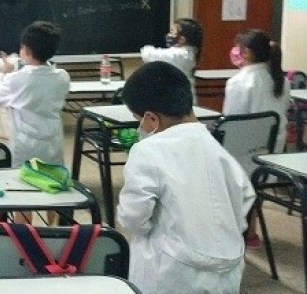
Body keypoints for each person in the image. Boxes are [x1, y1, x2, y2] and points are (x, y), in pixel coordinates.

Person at [117, 61, 255, 294]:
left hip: (171, 273)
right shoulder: (217, 149)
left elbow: (133, 217)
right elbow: (244, 201)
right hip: (228, 271)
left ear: (151, 118)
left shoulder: (147, 150)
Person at [223, 28, 289, 250]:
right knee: (253, 187)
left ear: (248, 53)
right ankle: (251, 231)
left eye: (239, 50)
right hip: (272, 157)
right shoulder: (280, 80)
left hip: (244, 156)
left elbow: (231, 125)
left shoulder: (240, 82)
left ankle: (231, 231)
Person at [0, 21, 70, 168]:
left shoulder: (17, 79)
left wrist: (3, 72)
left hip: (26, 145)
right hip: (53, 142)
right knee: (51, 177)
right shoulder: (62, 76)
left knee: (25, 179)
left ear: (25, 50)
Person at [140, 18, 203, 102]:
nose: (169, 35)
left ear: (182, 40)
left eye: (172, 32)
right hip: (183, 98)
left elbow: (147, 54)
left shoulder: (180, 55)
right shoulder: (190, 52)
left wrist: (147, 47)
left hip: (177, 100)